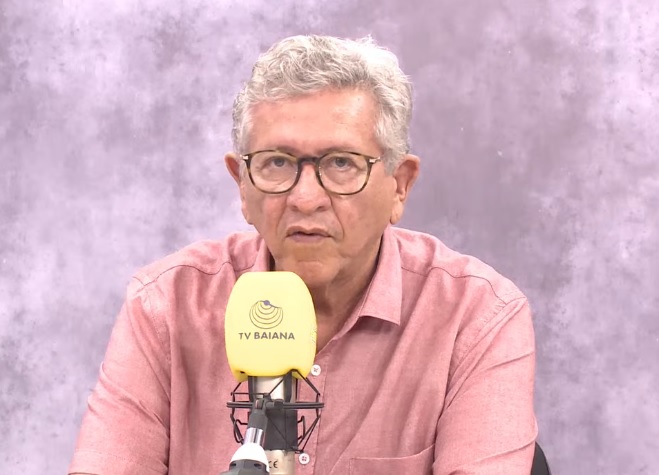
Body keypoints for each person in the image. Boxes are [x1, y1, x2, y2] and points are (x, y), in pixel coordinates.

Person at [69, 35, 537, 475]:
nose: (306, 198)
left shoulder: (477, 317)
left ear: (400, 186)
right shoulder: (165, 306)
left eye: (342, 163)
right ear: (242, 185)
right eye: (277, 162)